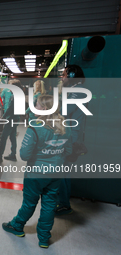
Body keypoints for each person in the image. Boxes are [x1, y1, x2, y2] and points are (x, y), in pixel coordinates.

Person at [2, 95, 72, 249]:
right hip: (55, 173)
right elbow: (69, 150)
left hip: (36, 174)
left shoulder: (35, 128)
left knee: (29, 203)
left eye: (37, 105)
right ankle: (44, 238)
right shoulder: (65, 127)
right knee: (49, 205)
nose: (35, 108)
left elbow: (25, 155)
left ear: (45, 109)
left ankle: (17, 226)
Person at [55, 64, 86, 216]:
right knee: (64, 171)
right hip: (70, 135)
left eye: (64, 74)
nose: (62, 77)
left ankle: (64, 204)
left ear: (73, 76)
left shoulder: (77, 92)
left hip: (70, 137)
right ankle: (64, 202)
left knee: (60, 171)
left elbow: (63, 111)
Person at [0, 79, 22, 163]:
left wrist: (3, 117)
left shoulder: (14, 96)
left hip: (11, 119)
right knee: (13, 137)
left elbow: (10, 109)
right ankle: (13, 154)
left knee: (3, 137)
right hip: (16, 118)